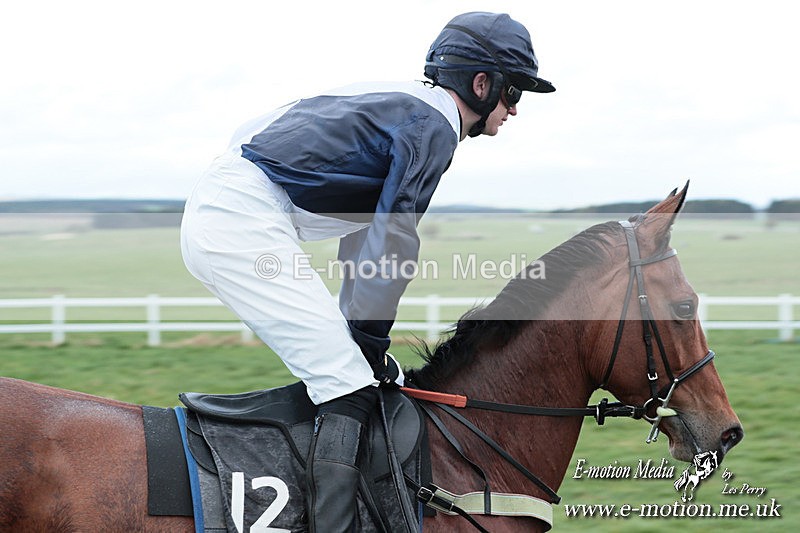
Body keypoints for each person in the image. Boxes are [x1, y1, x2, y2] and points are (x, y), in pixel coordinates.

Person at [180, 11, 555, 531]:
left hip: (235, 209)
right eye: (514, 92)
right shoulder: (434, 126)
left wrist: (365, 340)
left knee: (356, 371)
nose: (514, 108)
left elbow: (365, 238)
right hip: (240, 218)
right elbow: (394, 241)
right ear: (481, 83)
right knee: (349, 386)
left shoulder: (409, 106)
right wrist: (370, 343)